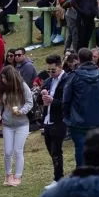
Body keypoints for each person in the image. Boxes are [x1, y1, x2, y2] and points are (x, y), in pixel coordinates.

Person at [0, 66, 33, 187]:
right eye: (2, 78)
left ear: (11, 78)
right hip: (8, 124)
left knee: (18, 151)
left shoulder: (22, 86)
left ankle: (18, 176)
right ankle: (8, 175)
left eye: (5, 78)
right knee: (8, 152)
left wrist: (22, 111)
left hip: (22, 124)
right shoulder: (3, 89)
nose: (3, 80)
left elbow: (30, 102)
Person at [63, 48, 99, 167]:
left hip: (79, 120)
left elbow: (66, 99)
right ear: (92, 58)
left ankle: (83, 176)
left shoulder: (74, 76)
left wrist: (67, 118)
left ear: (79, 59)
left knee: (81, 150)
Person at [39, 54, 70, 185]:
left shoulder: (67, 80)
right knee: (51, 150)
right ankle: (58, 176)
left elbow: (68, 102)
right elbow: (39, 101)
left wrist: (53, 101)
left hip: (60, 120)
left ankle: (58, 178)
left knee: (56, 150)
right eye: (49, 70)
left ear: (60, 67)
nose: (51, 73)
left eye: (53, 70)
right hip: (47, 120)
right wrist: (42, 96)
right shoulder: (48, 81)